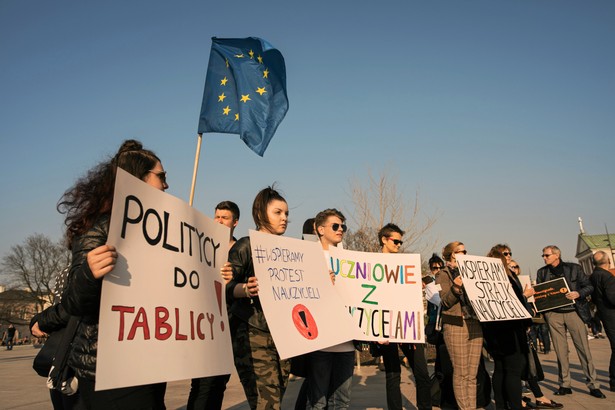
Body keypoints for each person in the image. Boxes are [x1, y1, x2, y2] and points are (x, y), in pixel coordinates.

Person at [59, 139, 169, 409]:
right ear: (137, 179)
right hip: (107, 368)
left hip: (149, 361)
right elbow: (72, 301)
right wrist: (88, 274)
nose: (166, 184)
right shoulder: (100, 227)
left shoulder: (163, 234)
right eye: (161, 176)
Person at [226, 186, 290, 409]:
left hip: (281, 335)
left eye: (286, 214)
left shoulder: (288, 251)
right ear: (261, 213)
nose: (284, 218)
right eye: (278, 212)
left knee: (278, 396)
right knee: (266, 402)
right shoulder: (246, 245)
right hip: (252, 331)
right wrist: (245, 289)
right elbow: (225, 285)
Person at [187, 200, 240, 410]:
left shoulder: (239, 250)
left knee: (217, 384)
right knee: (199, 384)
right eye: (216, 216)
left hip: (227, 327)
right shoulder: (202, 245)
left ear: (235, 222)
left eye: (224, 218)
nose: (218, 221)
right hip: (202, 325)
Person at [534, 245, 605, 398]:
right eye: (543, 255)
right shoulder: (542, 272)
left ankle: (593, 385)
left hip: (574, 312)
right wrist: (546, 313)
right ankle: (565, 384)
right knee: (561, 351)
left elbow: (589, 286)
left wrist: (578, 293)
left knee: (584, 350)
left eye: (546, 255)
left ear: (556, 255)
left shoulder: (574, 268)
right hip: (554, 315)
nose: (544, 258)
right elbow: (540, 293)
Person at [376, 223, 432, 410]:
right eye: (396, 241)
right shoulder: (372, 265)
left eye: (401, 242)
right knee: (393, 375)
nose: (399, 245)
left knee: (422, 373)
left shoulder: (405, 267)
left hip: (408, 326)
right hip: (386, 326)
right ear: (384, 240)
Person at [305, 208, 355, 410]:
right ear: (320, 229)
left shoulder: (350, 259)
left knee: (342, 403)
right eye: (335, 226)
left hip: (347, 343)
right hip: (321, 342)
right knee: (317, 403)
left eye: (343, 226)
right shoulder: (307, 257)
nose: (340, 229)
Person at [482, 246, 532, 410]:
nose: (509, 257)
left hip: (493, 330)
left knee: (500, 368)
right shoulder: (506, 279)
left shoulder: (486, 280)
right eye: (506, 255)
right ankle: (515, 405)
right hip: (510, 331)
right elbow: (517, 302)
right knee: (512, 371)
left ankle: (501, 406)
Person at [508, 259, 562, 409]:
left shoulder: (520, 282)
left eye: (516, 266)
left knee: (528, 363)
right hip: (513, 328)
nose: (514, 269)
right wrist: (524, 296)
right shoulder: (511, 284)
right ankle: (522, 398)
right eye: (511, 267)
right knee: (518, 366)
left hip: (525, 326)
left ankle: (538, 395)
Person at [435, 241, 483, 410]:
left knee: (472, 373)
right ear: (453, 254)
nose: (465, 253)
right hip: (456, 324)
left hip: (475, 323)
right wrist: (456, 287)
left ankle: (472, 406)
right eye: (462, 251)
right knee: (461, 372)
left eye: (465, 250)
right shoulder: (443, 274)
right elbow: (445, 302)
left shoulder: (472, 271)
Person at [589, 250, 615, 392]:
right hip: (612, 314)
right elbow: (613, 298)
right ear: (608, 261)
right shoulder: (608, 277)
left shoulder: (593, 276)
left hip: (604, 314)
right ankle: (613, 380)